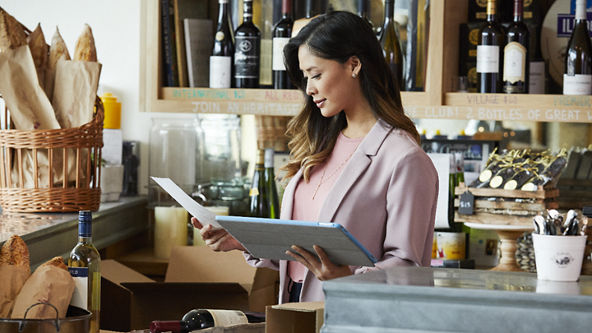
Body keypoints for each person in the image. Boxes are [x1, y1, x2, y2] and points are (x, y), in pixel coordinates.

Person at [192, 11, 438, 303]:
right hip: (294, 305)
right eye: (306, 77)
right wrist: (245, 241)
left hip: (349, 316)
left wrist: (347, 279)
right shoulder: (320, 143)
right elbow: (300, 250)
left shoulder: (404, 158)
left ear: (354, 65)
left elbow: (408, 268)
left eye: (316, 74)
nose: (309, 89)